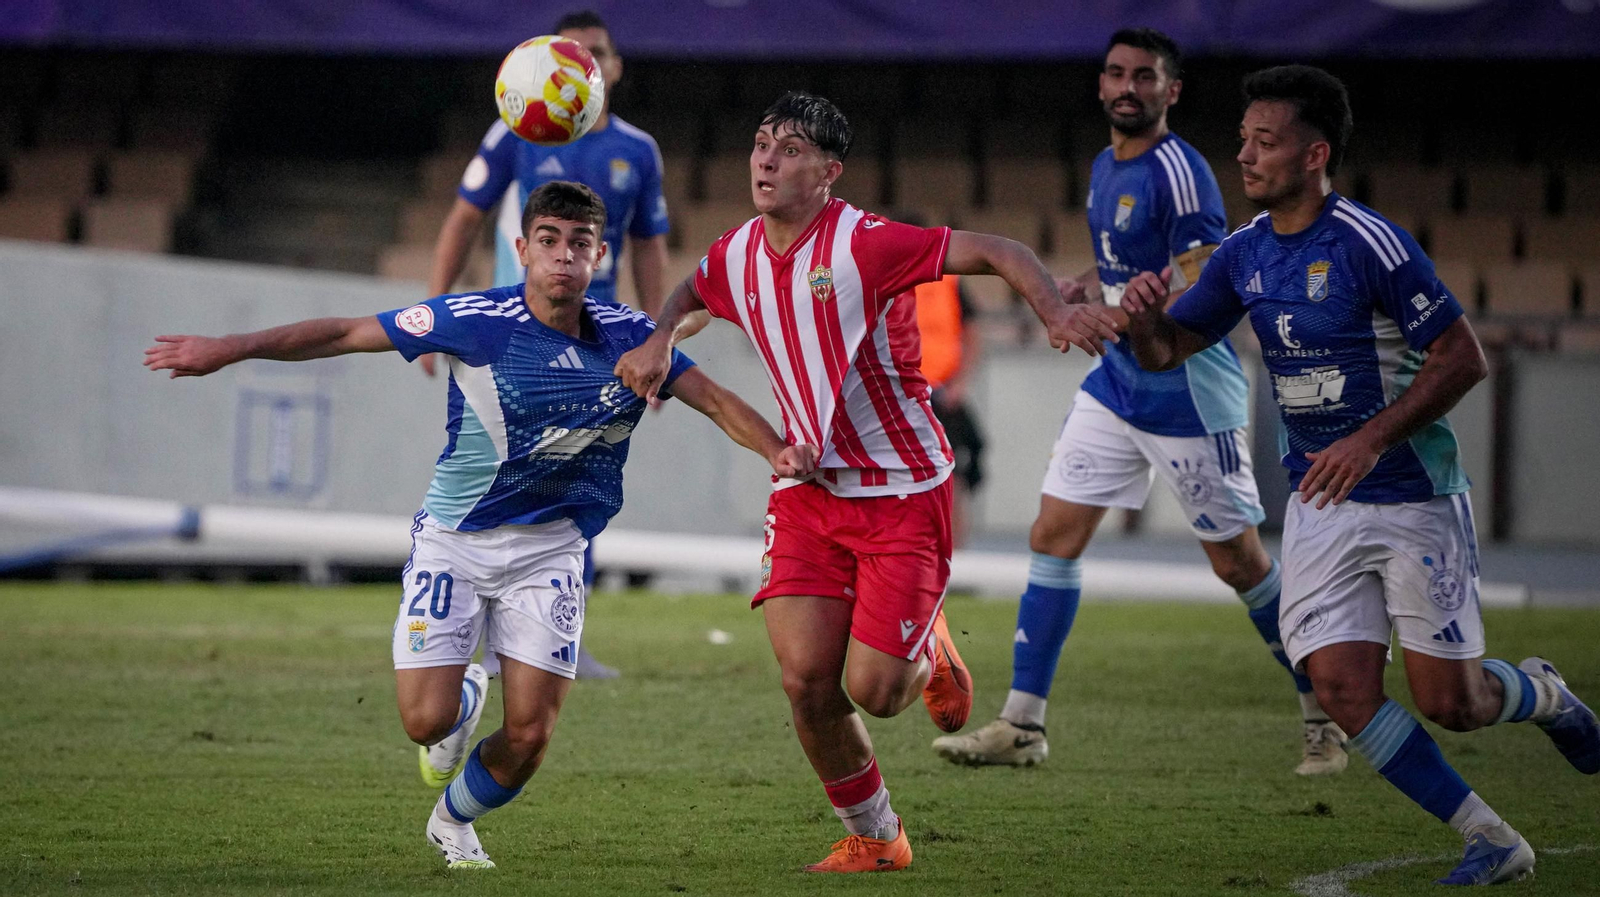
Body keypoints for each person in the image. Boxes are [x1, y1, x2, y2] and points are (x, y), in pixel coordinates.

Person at [144, 181, 816, 872]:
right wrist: (228, 347)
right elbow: (346, 332)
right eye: (548, 241)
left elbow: (719, 402)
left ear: (599, 255)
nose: (562, 256)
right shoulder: (474, 319)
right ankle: (464, 694)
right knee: (424, 722)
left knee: (530, 733)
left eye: (578, 244)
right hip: (455, 543)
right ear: (522, 249)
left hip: (551, 549)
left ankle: (453, 820)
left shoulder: (633, 340)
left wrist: (778, 452)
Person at [1117, 65, 1599, 886]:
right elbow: (1170, 349)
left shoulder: (1369, 242)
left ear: (1315, 154)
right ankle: (1490, 835)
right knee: (1340, 687)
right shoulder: (1243, 254)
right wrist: (1142, 319)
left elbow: (1462, 357)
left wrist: (1370, 440)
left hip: (1412, 492)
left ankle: (1542, 693)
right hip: (1320, 498)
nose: (1245, 156)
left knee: (1454, 702)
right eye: (1242, 140)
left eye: (1264, 142)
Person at [615, 92, 1121, 874]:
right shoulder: (738, 251)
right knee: (806, 680)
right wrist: (658, 336)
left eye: (788, 148)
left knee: (878, 691)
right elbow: (691, 293)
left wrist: (1051, 308)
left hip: (902, 490)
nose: (765, 158)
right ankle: (879, 837)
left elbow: (993, 249)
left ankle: (930, 640)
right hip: (809, 488)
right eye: (759, 143)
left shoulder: (866, 243)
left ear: (829, 171)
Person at [933, 28, 1339, 774]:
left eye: (1144, 77)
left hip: (1188, 387)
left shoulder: (1178, 171)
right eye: (1116, 73)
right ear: (1100, 84)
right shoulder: (1105, 164)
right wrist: (1089, 284)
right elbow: (1136, 265)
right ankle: (1023, 723)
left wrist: (1114, 315)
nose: (1127, 86)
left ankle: (1326, 712)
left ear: (1170, 91)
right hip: (1118, 383)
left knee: (1241, 564)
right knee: (1053, 531)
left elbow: (1208, 274)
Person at [427, 9, 673, 678]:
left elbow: (650, 247)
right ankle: (475, 628)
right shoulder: (515, 128)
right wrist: (434, 311)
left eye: (594, 53)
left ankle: (557, 633)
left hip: (598, 337)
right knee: (495, 467)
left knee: (580, 479)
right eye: (571, 53)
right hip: (510, 330)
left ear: (612, 69)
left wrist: (657, 337)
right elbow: (464, 218)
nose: (582, 64)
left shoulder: (638, 151)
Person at [902, 214, 987, 547]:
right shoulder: (876, 277)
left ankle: (954, 565)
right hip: (896, 396)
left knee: (952, 478)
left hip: (940, 395)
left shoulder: (947, 280)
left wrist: (960, 384)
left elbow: (974, 331)